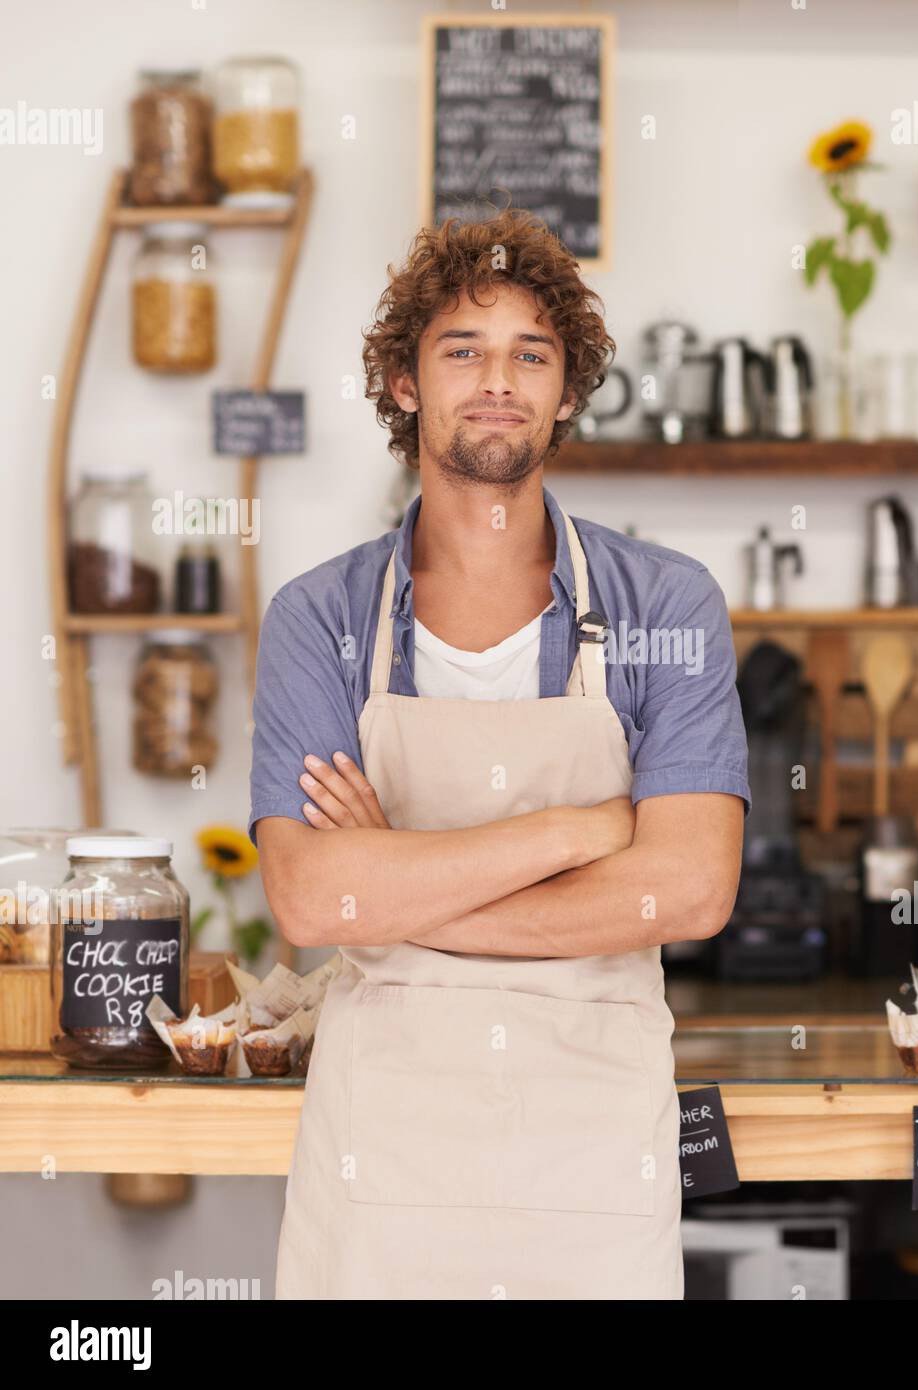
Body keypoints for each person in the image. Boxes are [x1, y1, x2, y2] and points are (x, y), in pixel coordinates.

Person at [248, 209, 750, 1299]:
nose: (497, 380)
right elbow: (308, 900)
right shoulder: (317, 617)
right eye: (461, 350)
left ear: (567, 392)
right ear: (403, 384)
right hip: (380, 1155)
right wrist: (578, 835)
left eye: (532, 354)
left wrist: (399, 886)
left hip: (595, 1161)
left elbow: (692, 889)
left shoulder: (667, 604)